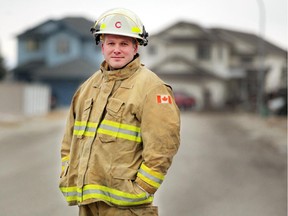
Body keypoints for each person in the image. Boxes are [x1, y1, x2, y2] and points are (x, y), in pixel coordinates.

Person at [59, 8, 180, 216]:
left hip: (128, 208)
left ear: (136, 46)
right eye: (111, 43)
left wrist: (142, 188)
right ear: (102, 46)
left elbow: (163, 147)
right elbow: (69, 142)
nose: (117, 49)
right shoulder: (87, 88)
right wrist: (68, 173)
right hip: (88, 204)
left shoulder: (152, 88)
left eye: (124, 43)